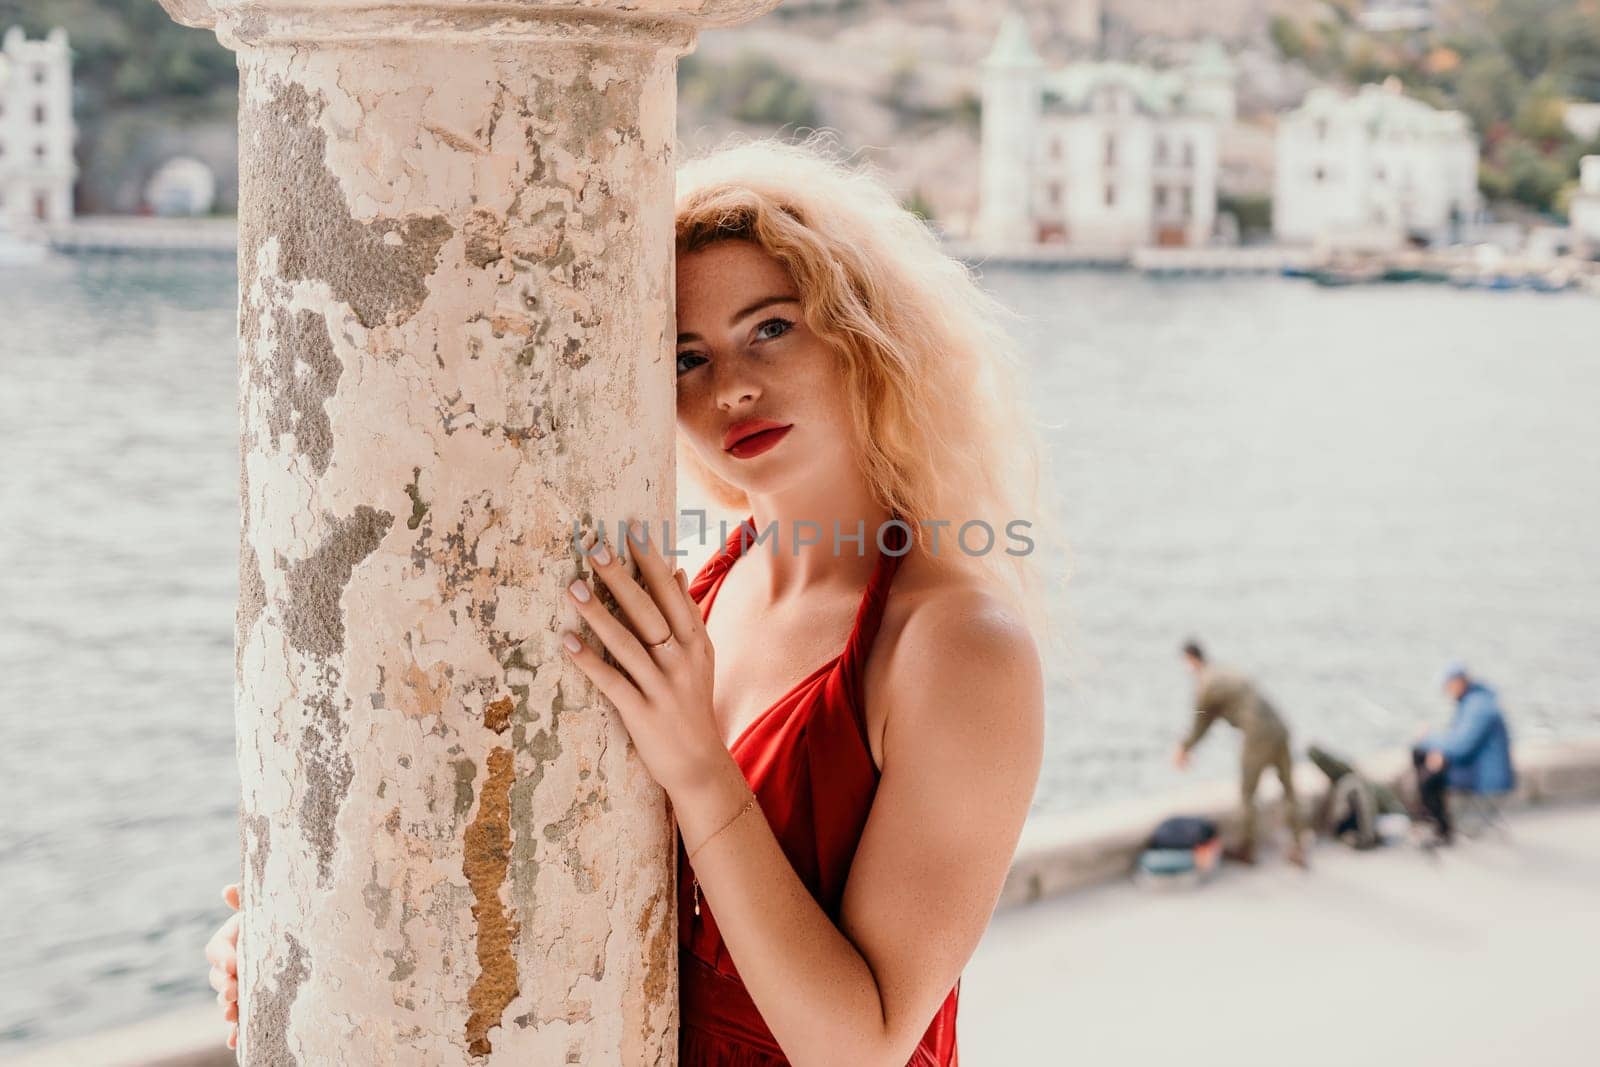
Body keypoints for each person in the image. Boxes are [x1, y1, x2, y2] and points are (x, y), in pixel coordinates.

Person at [204, 133, 1061, 1065]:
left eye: (771, 327)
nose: (732, 385)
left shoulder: (958, 643)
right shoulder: (691, 590)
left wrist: (698, 763)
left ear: (863, 335)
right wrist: (324, 948)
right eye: (687, 357)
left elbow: (863, 1044)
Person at [1171, 640, 1308, 868]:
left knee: (1248, 794)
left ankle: (1248, 849)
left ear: (1190, 660)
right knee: (1288, 789)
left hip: (1257, 734)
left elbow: (1200, 721)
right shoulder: (1226, 670)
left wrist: (1184, 748)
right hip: (1280, 727)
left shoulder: (1206, 683)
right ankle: (1298, 844)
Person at [1411, 662, 1515, 846]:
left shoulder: (1478, 707)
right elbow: (1459, 739)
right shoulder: (1474, 701)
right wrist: (1439, 751)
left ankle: (1441, 829)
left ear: (1459, 682)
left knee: (1429, 778)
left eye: (1447, 685)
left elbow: (1461, 746)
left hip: (1485, 776)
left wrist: (1429, 741)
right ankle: (1429, 817)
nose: (1446, 690)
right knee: (1421, 756)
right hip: (1476, 766)